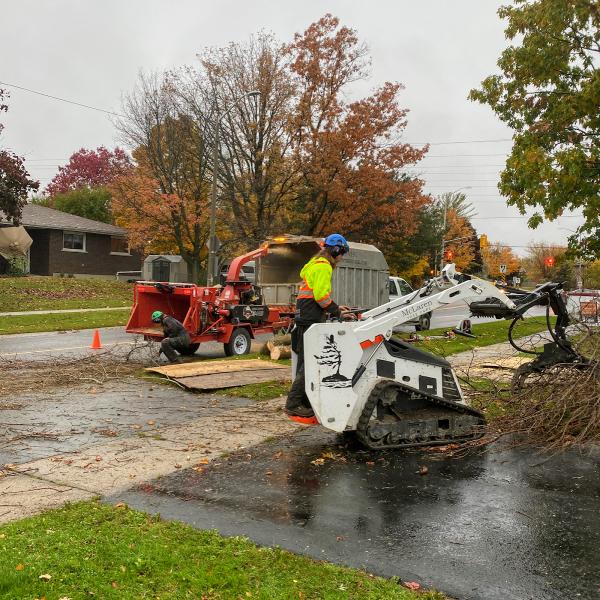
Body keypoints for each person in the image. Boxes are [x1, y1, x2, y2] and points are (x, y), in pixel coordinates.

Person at [285, 233, 355, 418]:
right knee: (310, 363)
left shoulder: (313, 265)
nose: (342, 257)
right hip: (311, 317)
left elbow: (317, 294)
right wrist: (337, 312)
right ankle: (293, 403)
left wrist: (336, 307)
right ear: (336, 249)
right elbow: (321, 297)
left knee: (304, 361)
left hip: (303, 316)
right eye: (343, 253)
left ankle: (305, 400)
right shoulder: (324, 267)